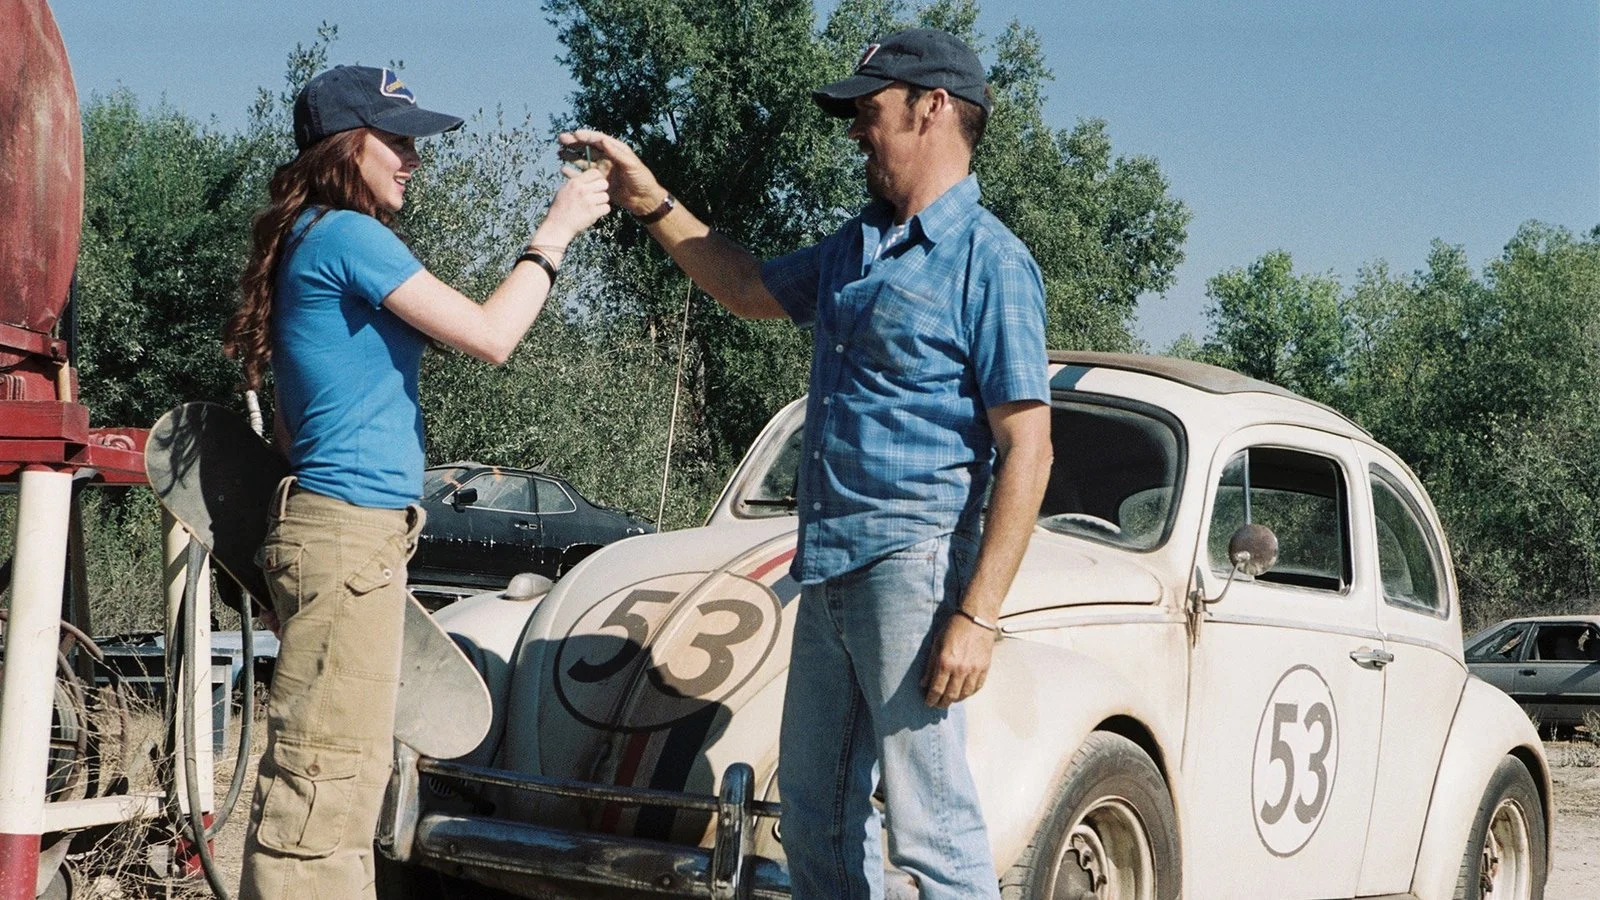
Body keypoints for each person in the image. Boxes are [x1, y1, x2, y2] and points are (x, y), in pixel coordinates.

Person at [563, 27, 1052, 900]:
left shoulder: (991, 262)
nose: (856, 130)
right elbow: (746, 287)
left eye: (871, 111)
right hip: (827, 565)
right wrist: (652, 202)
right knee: (816, 816)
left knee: (931, 827)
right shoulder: (855, 246)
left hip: (913, 567)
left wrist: (976, 615)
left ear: (934, 108)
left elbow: (1029, 448)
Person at [220, 64, 610, 899]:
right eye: (396, 140)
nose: (412, 158)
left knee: (334, 782)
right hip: (348, 535)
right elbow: (492, 335)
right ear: (344, 147)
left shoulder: (308, 238)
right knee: (324, 795)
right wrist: (557, 230)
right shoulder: (349, 237)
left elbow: (290, 425)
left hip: (340, 535)